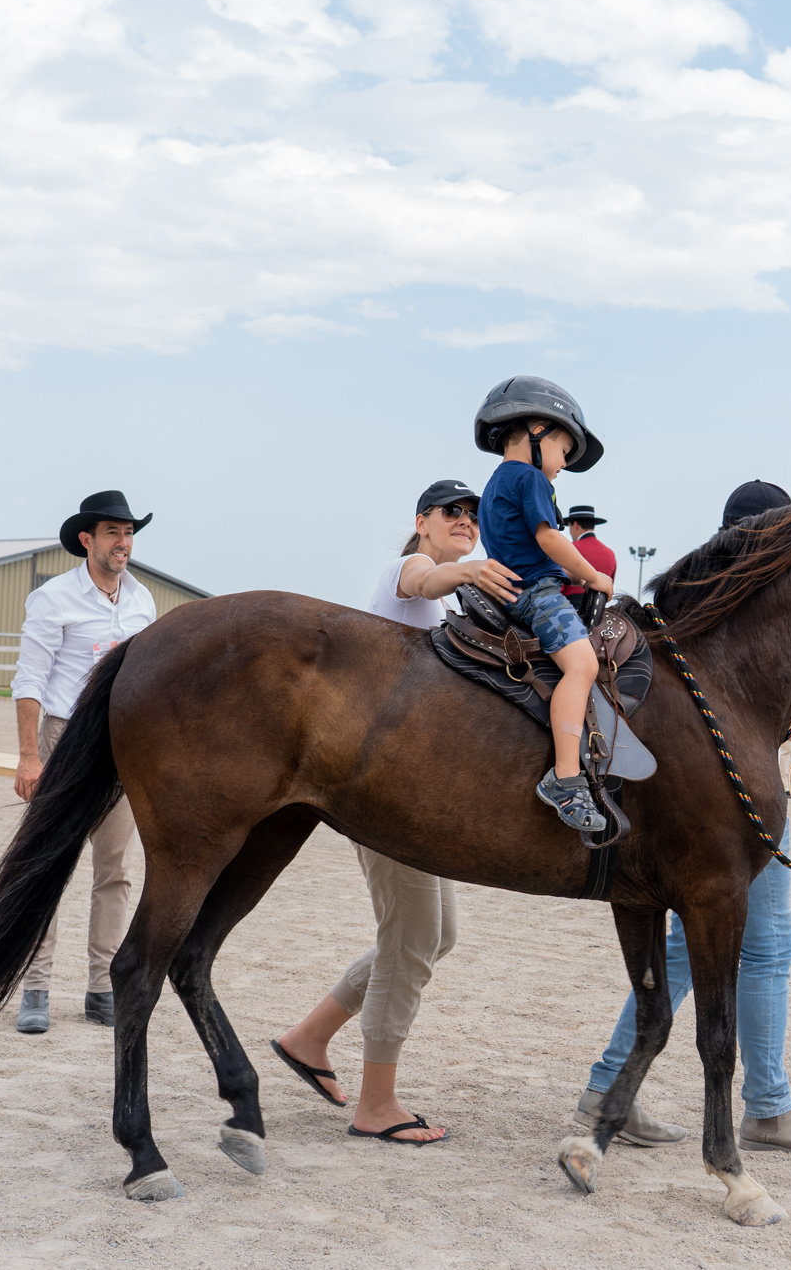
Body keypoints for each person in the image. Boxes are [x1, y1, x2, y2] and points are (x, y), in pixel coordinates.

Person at [572, 478, 791, 1158]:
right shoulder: (727, 601)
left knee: (704, 943)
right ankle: (765, 1106)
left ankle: (614, 1082)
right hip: (727, 801)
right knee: (758, 942)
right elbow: (711, 698)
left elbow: (738, 703)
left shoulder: (729, 597)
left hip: (737, 786)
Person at [271, 479, 521, 1145]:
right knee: (411, 940)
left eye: (473, 516)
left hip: (416, 792)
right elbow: (421, 580)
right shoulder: (407, 571)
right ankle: (376, 1103)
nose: (464, 521)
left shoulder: (449, 608)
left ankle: (308, 1036)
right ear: (422, 522)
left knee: (436, 935)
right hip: (381, 790)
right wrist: (463, 572)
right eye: (451, 513)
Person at [10, 491, 159, 1034]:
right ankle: (36, 987)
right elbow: (29, 679)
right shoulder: (54, 599)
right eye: (113, 533)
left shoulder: (143, 601)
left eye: (129, 533)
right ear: (86, 540)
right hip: (64, 738)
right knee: (47, 863)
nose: (124, 543)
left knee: (115, 870)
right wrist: (30, 756)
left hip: (120, 745)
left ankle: (102, 988)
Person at [471, 376, 614, 834]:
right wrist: (592, 575)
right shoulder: (530, 477)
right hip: (537, 596)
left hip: (520, 587)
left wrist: (571, 571)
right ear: (537, 430)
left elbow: (525, 547)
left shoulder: (497, 481)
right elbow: (548, 537)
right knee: (582, 666)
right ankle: (567, 778)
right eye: (564, 451)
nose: (564, 465)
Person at [559, 504, 617, 605]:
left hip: (569, 606)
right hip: (599, 609)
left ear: (575, 525)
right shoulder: (610, 553)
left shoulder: (569, 549)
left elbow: (559, 584)